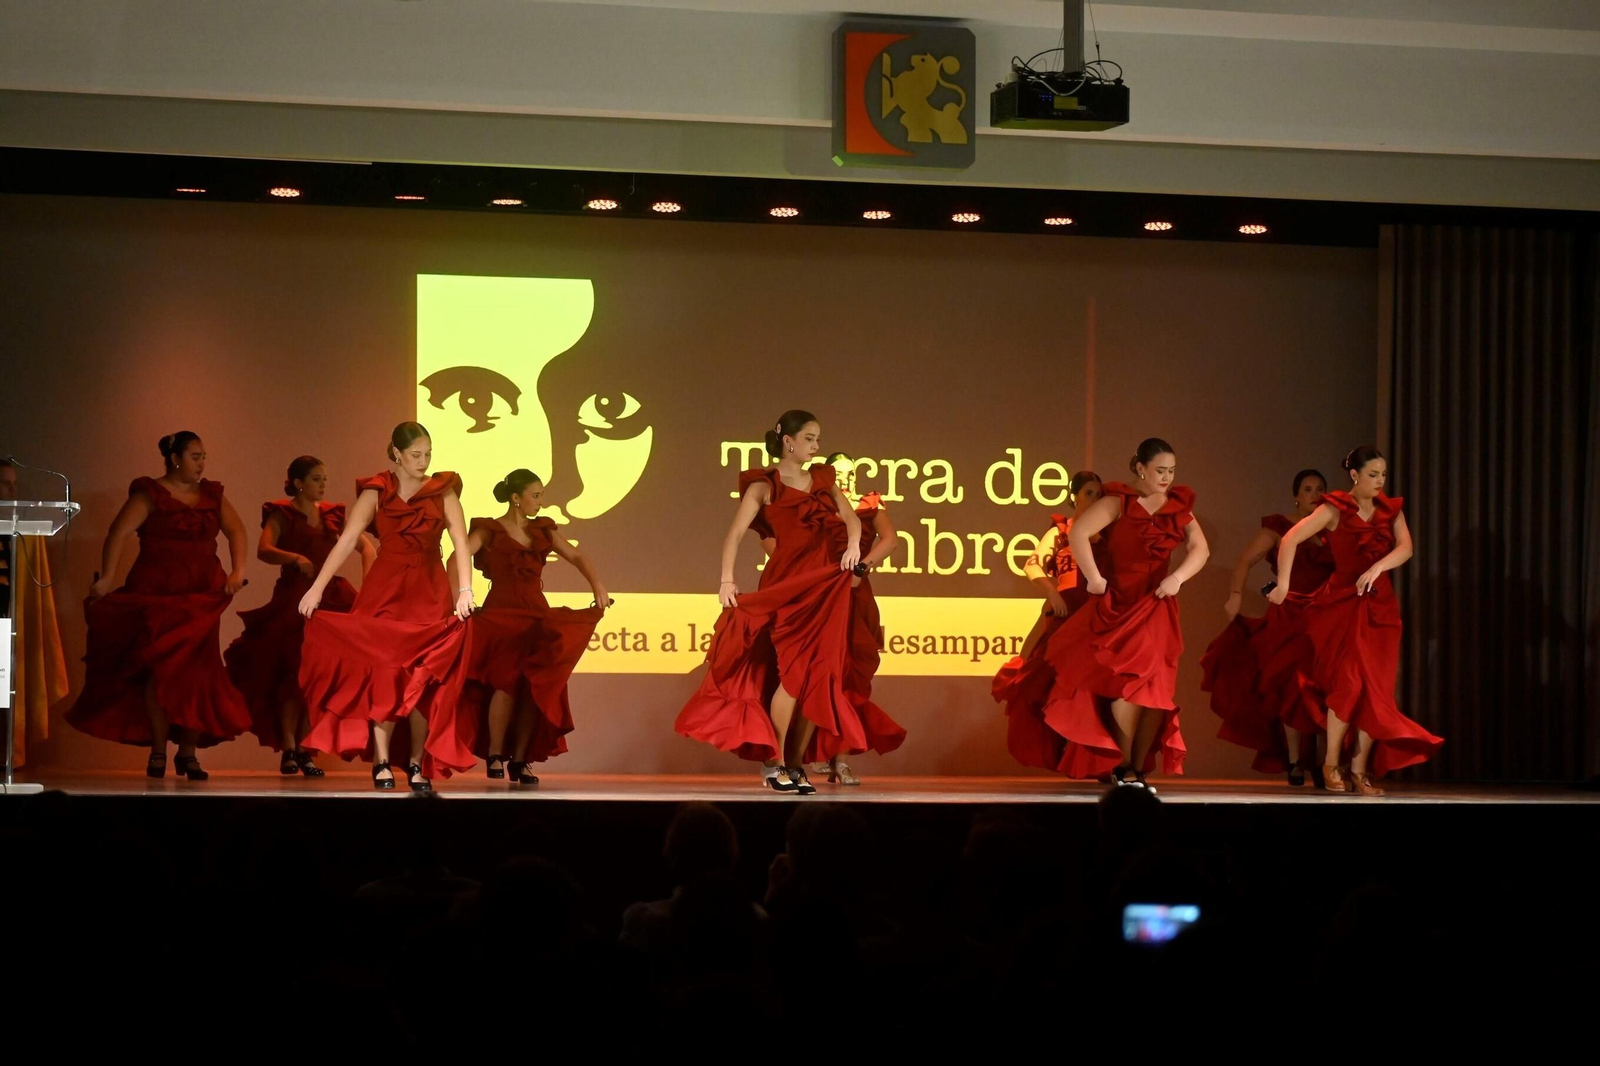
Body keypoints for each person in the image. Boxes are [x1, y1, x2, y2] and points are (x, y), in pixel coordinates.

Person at [674, 410, 862, 794]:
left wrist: (854, 546)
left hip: (825, 588)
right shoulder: (765, 486)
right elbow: (734, 534)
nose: (816, 445)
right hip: (787, 587)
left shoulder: (823, 479)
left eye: (818, 439)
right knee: (792, 676)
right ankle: (773, 763)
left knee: (819, 677)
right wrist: (727, 579)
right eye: (809, 438)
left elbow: (851, 517)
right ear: (788, 441)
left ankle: (796, 764)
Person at [1012, 438, 1209, 792]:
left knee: (1156, 689)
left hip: (1157, 604)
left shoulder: (1177, 506)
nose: (1166, 477)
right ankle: (1122, 763)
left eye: (1171, 471)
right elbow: (1079, 533)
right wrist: (1094, 577)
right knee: (1125, 684)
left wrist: (1178, 577)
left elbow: (1200, 549)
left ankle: (1137, 766)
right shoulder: (1119, 501)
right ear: (1141, 468)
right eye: (1160, 470)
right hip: (1120, 603)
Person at [297, 421, 476, 791]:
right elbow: (347, 540)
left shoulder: (443, 491)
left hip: (428, 590)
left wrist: (465, 590)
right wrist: (317, 588)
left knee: (423, 678)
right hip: (386, 589)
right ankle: (381, 760)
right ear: (397, 453)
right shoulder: (377, 490)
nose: (423, 461)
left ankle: (416, 762)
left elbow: (461, 542)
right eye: (416, 454)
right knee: (384, 675)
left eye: (428, 454)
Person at [66, 432, 251, 780]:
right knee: (158, 670)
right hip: (158, 593)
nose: (202, 463)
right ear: (175, 459)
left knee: (199, 674)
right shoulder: (149, 493)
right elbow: (118, 533)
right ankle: (158, 750)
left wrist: (238, 572)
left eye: (204, 456)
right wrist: (107, 577)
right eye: (195, 456)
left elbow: (237, 531)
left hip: (201, 596)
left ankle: (188, 753)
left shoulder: (212, 494)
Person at [1271, 446, 1443, 795]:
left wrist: (1378, 566)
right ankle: (1331, 763)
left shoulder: (1390, 509)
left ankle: (1359, 770)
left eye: (1383, 475)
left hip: (1381, 607)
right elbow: (1290, 538)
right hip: (1344, 604)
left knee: (1376, 689)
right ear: (1354, 475)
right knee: (1348, 684)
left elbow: (1406, 548)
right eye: (1373, 475)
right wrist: (1283, 584)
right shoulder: (1335, 508)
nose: (1380, 481)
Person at [225, 455, 375, 776]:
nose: (323, 484)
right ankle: (290, 746)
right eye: (316, 479)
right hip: (296, 599)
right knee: (294, 673)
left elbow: (366, 548)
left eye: (324, 478)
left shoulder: (332, 515)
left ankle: (306, 747)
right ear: (298, 483)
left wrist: (369, 587)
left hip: (330, 598)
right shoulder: (283, 513)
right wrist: (294, 557)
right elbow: (264, 550)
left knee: (318, 677)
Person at [458, 467, 608, 786]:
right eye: (536, 496)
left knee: (532, 688)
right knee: (504, 682)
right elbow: (457, 556)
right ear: (516, 498)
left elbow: (577, 556)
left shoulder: (543, 530)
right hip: (500, 616)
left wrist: (598, 587)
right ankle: (495, 754)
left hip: (535, 615)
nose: (541, 502)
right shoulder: (489, 529)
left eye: (541, 496)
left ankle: (521, 759)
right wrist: (460, 593)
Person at [1201, 468, 1334, 785]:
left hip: (1326, 617)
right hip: (1289, 615)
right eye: (1308, 489)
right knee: (1292, 686)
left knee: (1324, 688)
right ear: (1296, 496)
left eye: (1320, 489)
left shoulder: (1333, 529)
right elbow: (1245, 560)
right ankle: (1295, 761)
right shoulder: (1279, 527)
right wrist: (1235, 595)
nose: (1315, 495)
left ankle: (1324, 763)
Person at [802, 449, 904, 786]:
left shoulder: (867, 503)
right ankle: (810, 754)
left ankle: (842, 760)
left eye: (851, 471)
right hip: (821, 593)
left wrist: (862, 567)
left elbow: (891, 540)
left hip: (855, 593)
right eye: (839, 472)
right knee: (819, 672)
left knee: (850, 677)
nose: (846, 477)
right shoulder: (816, 502)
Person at [993, 470, 1103, 768]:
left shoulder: (1107, 533)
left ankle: (1092, 758)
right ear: (1074, 497)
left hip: (1097, 616)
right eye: (1088, 493)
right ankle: (1061, 752)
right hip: (1066, 613)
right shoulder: (1061, 532)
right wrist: (1053, 593)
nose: (1094, 499)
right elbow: (1032, 565)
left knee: (1092, 687)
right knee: (1048, 682)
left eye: (1098, 495)